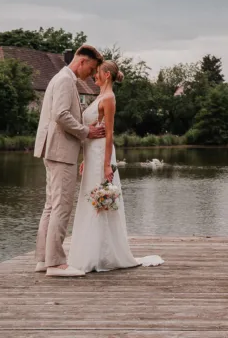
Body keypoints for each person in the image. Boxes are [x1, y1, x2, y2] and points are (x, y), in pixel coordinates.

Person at [67, 60, 163, 273]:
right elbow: (93, 128)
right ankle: (90, 252)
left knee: (101, 201)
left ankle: (103, 255)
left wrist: (107, 165)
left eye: (98, 72)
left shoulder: (109, 98)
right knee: (90, 199)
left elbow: (109, 134)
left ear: (107, 75)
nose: (94, 75)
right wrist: (85, 159)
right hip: (91, 154)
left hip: (102, 155)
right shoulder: (99, 96)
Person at [33, 44, 106, 277]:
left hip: (54, 150)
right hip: (61, 151)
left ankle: (43, 260)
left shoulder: (61, 78)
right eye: (91, 68)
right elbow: (61, 114)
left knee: (51, 206)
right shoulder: (65, 80)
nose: (91, 74)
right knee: (61, 207)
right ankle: (56, 264)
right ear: (82, 61)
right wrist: (86, 131)